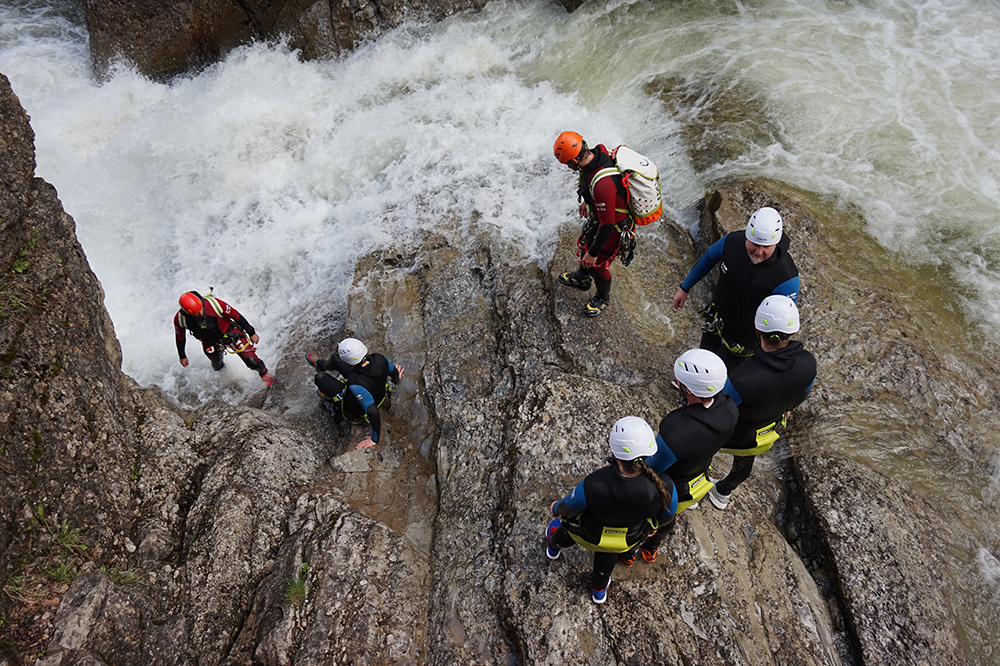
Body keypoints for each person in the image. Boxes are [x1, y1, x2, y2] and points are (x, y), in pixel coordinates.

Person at [544, 416, 677, 604]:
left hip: (589, 533)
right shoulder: (665, 486)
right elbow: (667, 516)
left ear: (615, 452)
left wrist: (555, 508)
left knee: (566, 531)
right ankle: (598, 591)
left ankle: (553, 547)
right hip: (626, 538)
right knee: (607, 555)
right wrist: (653, 528)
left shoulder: (595, 484)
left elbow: (568, 508)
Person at [708, 295, 817, 510]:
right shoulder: (808, 363)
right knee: (745, 461)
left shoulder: (742, 379)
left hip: (732, 434)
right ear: (793, 332)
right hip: (762, 433)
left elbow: (717, 411)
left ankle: (695, 483)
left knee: (702, 448)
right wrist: (787, 408)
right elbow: (803, 393)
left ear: (757, 330)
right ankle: (722, 492)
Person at [672, 207, 799, 372]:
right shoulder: (732, 242)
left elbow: (782, 324)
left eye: (765, 247)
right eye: (755, 244)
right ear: (747, 236)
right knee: (703, 358)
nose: (759, 252)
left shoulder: (786, 276)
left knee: (720, 372)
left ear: (775, 243)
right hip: (717, 318)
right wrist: (684, 287)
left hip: (745, 337)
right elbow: (709, 258)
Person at [641, 349, 738, 561]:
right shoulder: (730, 408)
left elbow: (653, 466)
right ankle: (651, 549)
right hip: (697, 477)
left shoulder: (676, 429)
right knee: (669, 519)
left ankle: (638, 544)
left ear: (688, 389)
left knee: (654, 518)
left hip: (672, 486)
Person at [553, 131, 631, 317]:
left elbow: (608, 224)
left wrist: (593, 253)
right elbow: (592, 184)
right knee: (586, 246)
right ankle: (582, 277)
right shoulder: (597, 155)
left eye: (567, 164)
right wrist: (588, 201)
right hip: (602, 216)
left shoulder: (603, 184)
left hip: (614, 226)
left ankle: (603, 298)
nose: (568, 167)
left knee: (596, 264)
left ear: (573, 161)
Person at [306, 338, 404, 450]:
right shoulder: (379, 358)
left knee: (320, 378)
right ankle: (320, 365)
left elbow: (372, 411)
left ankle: (329, 394)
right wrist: (396, 379)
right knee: (335, 359)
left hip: (355, 406)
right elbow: (393, 372)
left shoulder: (355, 384)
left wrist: (374, 439)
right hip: (372, 390)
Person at [174, 290, 274, 386]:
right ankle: (223, 379)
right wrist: (182, 356)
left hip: (231, 333)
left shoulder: (214, 304)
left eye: (200, 308)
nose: (200, 313)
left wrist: (251, 332)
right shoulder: (180, 320)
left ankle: (266, 375)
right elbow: (180, 337)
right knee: (217, 364)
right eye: (196, 313)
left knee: (253, 362)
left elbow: (235, 315)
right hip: (210, 343)